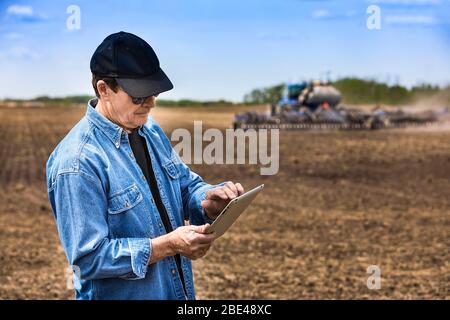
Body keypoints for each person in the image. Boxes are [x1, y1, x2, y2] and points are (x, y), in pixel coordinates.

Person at [46, 31, 244, 300]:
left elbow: (184, 186)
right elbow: (89, 259)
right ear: (104, 89)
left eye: (152, 94)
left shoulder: (149, 130)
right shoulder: (78, 162)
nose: (150, 104)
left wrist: (207, 201)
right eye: (139, 96)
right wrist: (167, 245)